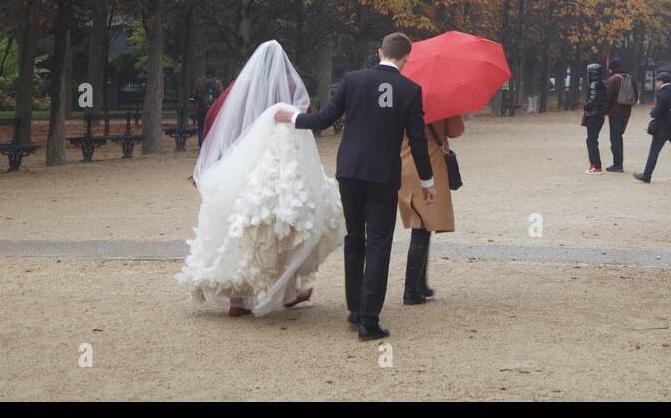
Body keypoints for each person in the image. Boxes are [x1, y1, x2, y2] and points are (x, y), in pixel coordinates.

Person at [275, 32, 434, 341]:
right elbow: (417, 141)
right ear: (406, 59)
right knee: (379, 243)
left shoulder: (353, 79)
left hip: (349, 170)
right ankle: (369, 319)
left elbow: (323, 119)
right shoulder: (410, 90)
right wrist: (427, 181)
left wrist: (293, 118)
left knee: (355, 239)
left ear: (379, 52)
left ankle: (355, 307)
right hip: (382, 175)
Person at [177, 41, 343, 317]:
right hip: (275, 165)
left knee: (240, 227)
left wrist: (212, 162)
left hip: (241, 164)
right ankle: (290, 289)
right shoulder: (290, 85)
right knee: (284, 225)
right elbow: (307, 116)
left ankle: (238, 298)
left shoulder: (239, 87)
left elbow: (216, 120)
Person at [399, 114, 464, 304]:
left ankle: (420, 283)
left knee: (421, 224)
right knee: (421, 228)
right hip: (429, 166)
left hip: (405, 163)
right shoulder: (443, 105)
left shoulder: (404, 97)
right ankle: (411, 289)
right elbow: (456, 131)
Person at [605, 58, 638, 172]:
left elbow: (607, 98)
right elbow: (635, 96)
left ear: (612, 69)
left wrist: (605, 110)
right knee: (619, 136)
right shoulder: (631, 78)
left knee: (615, 138)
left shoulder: (612, 80)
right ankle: (618, 162)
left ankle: (618, 164)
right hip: (627, 112)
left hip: (615, 113)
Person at [581, 62, 609, 174]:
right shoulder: (603, 84)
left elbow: (592, 101)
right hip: (600, 115)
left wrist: (586, 105)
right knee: (592, 140)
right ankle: (595, 164)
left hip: (593, 115)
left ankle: (596, 166)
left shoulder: (593, 85)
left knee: (591, 140)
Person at [193, 66, 223, 145]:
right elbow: (221, 96)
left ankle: (201, 145)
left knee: (201, 128)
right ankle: (211, 145)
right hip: (213, 110)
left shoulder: (199, 81)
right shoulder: (218, 82)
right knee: (213, 128)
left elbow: (195, 95)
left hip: (201, 109)